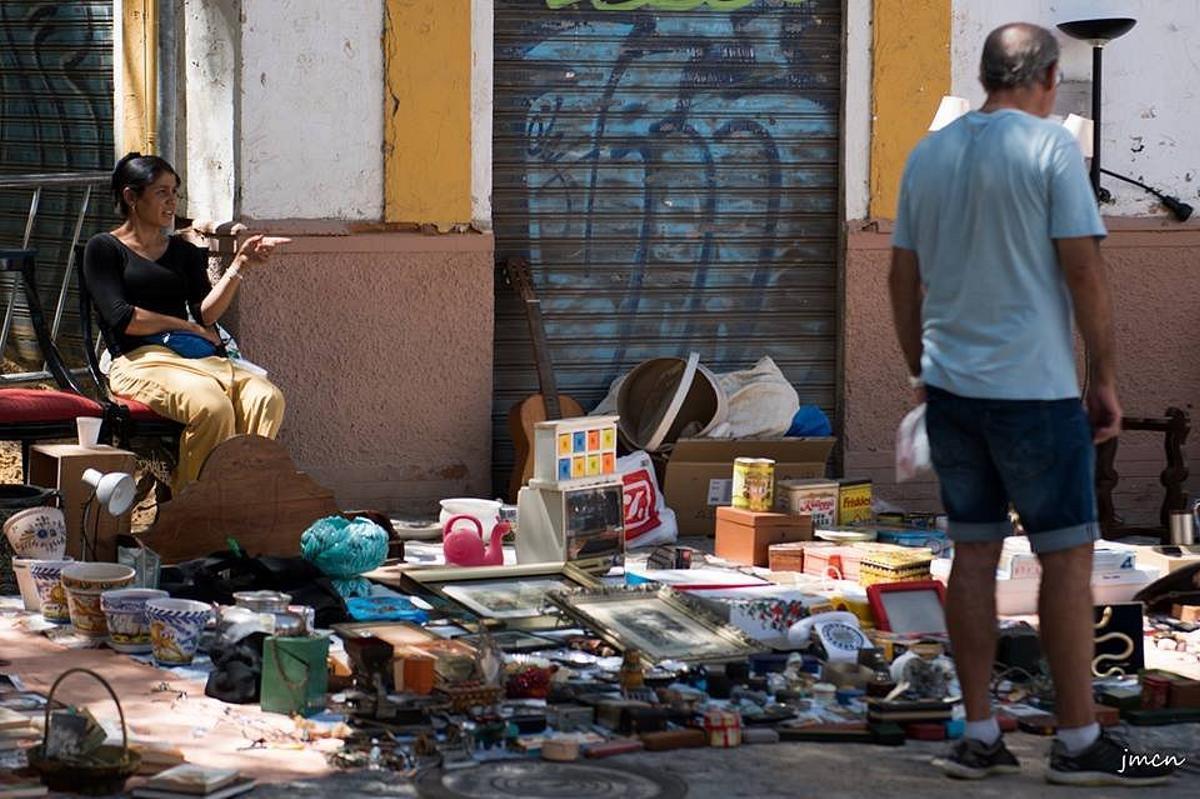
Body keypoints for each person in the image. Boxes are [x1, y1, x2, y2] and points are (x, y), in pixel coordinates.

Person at [888, 23, 1174, 787]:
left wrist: (922, 370)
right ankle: (1079, 743)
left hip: (954, 395)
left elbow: (900, 279)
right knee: (1066, 561)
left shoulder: (930, 152)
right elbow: (1085, 274)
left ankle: (977, 733)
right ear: (1046, 77)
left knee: (972, 557)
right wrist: (1105, 378)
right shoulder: (1051, 151)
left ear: (986, 76)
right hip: (1035, 396)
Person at [83, 152, 289, 492]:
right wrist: (185, 326)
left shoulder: (183, 251)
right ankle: (192, 505)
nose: (171, 201)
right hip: (139, 360)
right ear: (131, 197)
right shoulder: (104, 248)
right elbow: (122, 317)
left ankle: (241, 496)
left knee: (266, 397)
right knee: (212, 406)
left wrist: (239, 266)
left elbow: (206, 313)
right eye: (161, 192)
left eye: (175, 192)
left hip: (195, 359)